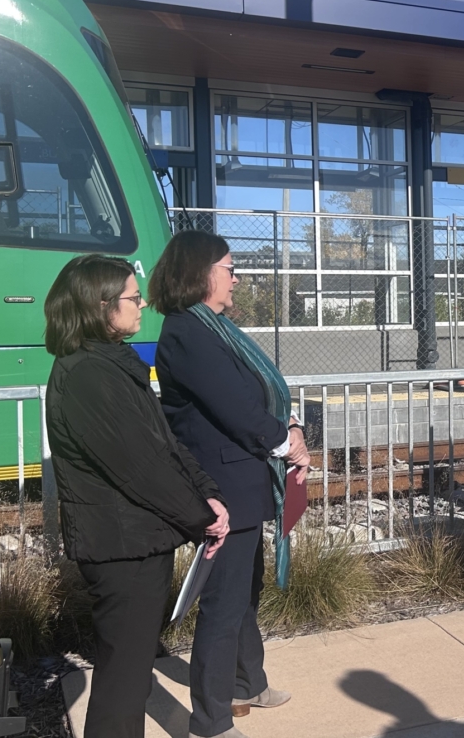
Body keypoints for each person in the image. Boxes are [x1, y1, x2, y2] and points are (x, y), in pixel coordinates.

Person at [43, 254, 230, 738]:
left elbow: (164, 444)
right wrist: (199, 518)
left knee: (129, 675)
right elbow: (141, 468)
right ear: (101, 306)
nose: (142, 302)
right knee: (123, 684)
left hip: (138, 541)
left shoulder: (110, 363)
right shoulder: (87, 375)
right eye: (131, 296)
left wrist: (205, 494)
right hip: (121, 549)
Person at [149, 230, 310, 738]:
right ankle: (210, 721)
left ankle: (246, 683)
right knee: (222, 605)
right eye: (229, 267)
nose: (236, 278)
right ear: (201, 273)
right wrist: (287, 443)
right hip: (223, 491)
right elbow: (236, 407)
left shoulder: (212, 329)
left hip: (244, 483)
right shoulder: (188, 333)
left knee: (245, 593)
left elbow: (258, 393)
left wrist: (292, 426)